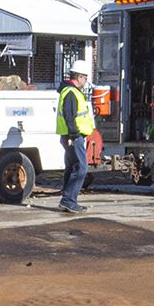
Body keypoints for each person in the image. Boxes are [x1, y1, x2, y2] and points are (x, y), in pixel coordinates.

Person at [56, 64, 93, 215]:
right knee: (81, 168)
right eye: (85, 78)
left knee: (72, 168)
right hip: (74, 136)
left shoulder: (69, 91)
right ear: (79, 77)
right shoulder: (71, 92)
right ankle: (69, 200)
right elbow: (69, 116)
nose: (86, 81)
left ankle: (67, 200)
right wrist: (73, 135)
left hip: (70, 136)